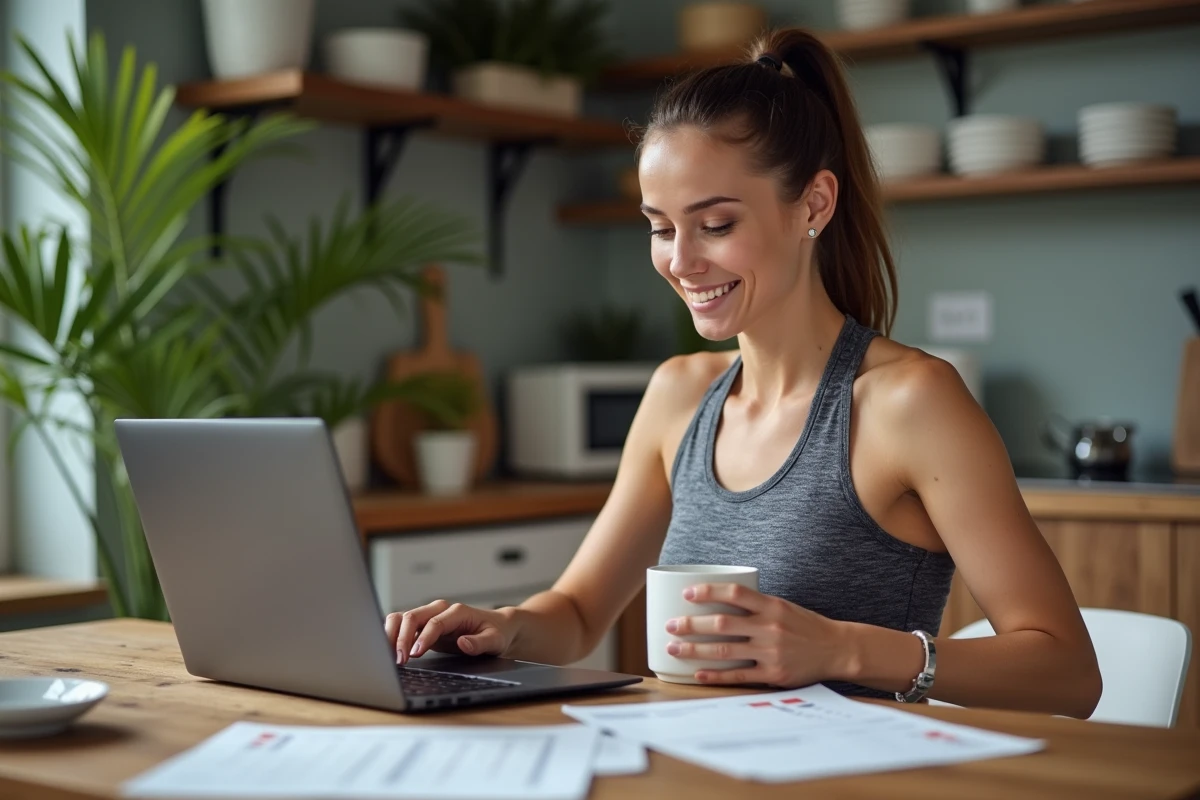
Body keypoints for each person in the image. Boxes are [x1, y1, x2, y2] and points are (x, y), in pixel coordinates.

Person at [386, 27, 1102, 717]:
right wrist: (503, 626)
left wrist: (841, 648)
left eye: (716, 225)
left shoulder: (909, 402)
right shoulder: (678, 394)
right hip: (687, 764)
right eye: (660, 227)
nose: (681, 261)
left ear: (814, 204)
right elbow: (576, 615)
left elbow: (1068, 673)